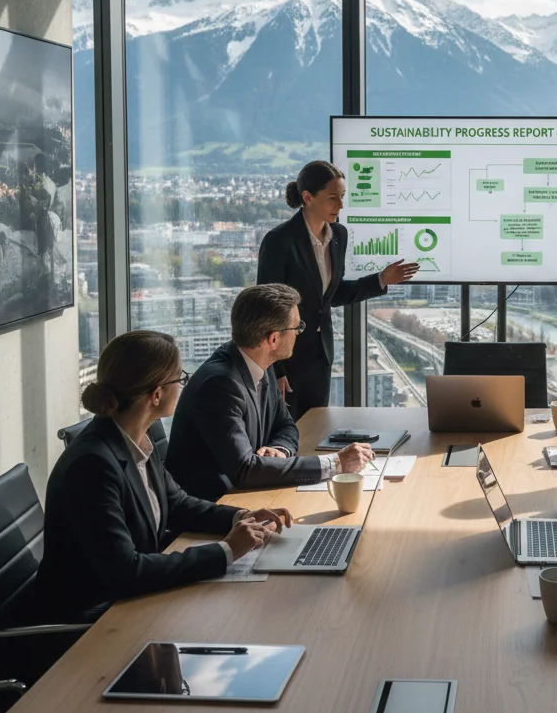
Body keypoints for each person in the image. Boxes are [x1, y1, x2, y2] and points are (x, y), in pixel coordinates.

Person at [36, 331, 292, 623]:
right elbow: (126, 572)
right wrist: (226, 551)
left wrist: (241, 517)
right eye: (179, 380)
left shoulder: (134, 437)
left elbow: (177, 503)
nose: (184, 386)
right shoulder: (92, 466)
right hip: (94, 619)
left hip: (132, 600)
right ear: (156, 394)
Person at [165, 283, 374, 501]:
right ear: (273, 339)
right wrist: (336, 463)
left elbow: (285, 425)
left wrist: (280, 450)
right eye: (297, 327)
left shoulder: (260, 362)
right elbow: (244, 470)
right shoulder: (219, 384)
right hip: (212, 507)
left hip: (247, 495)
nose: (299, 334)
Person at [257, 160, 419, 419]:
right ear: (307, 197)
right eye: (333, 198)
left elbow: (333, 294)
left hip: (320, 355)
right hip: (286, 357)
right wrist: (276, 369)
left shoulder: (338, 236)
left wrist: (381, 279)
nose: (341, 205)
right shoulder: (280, 241)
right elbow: (265, 308)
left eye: (342, 197)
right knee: (286, 435)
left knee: (315, 428)